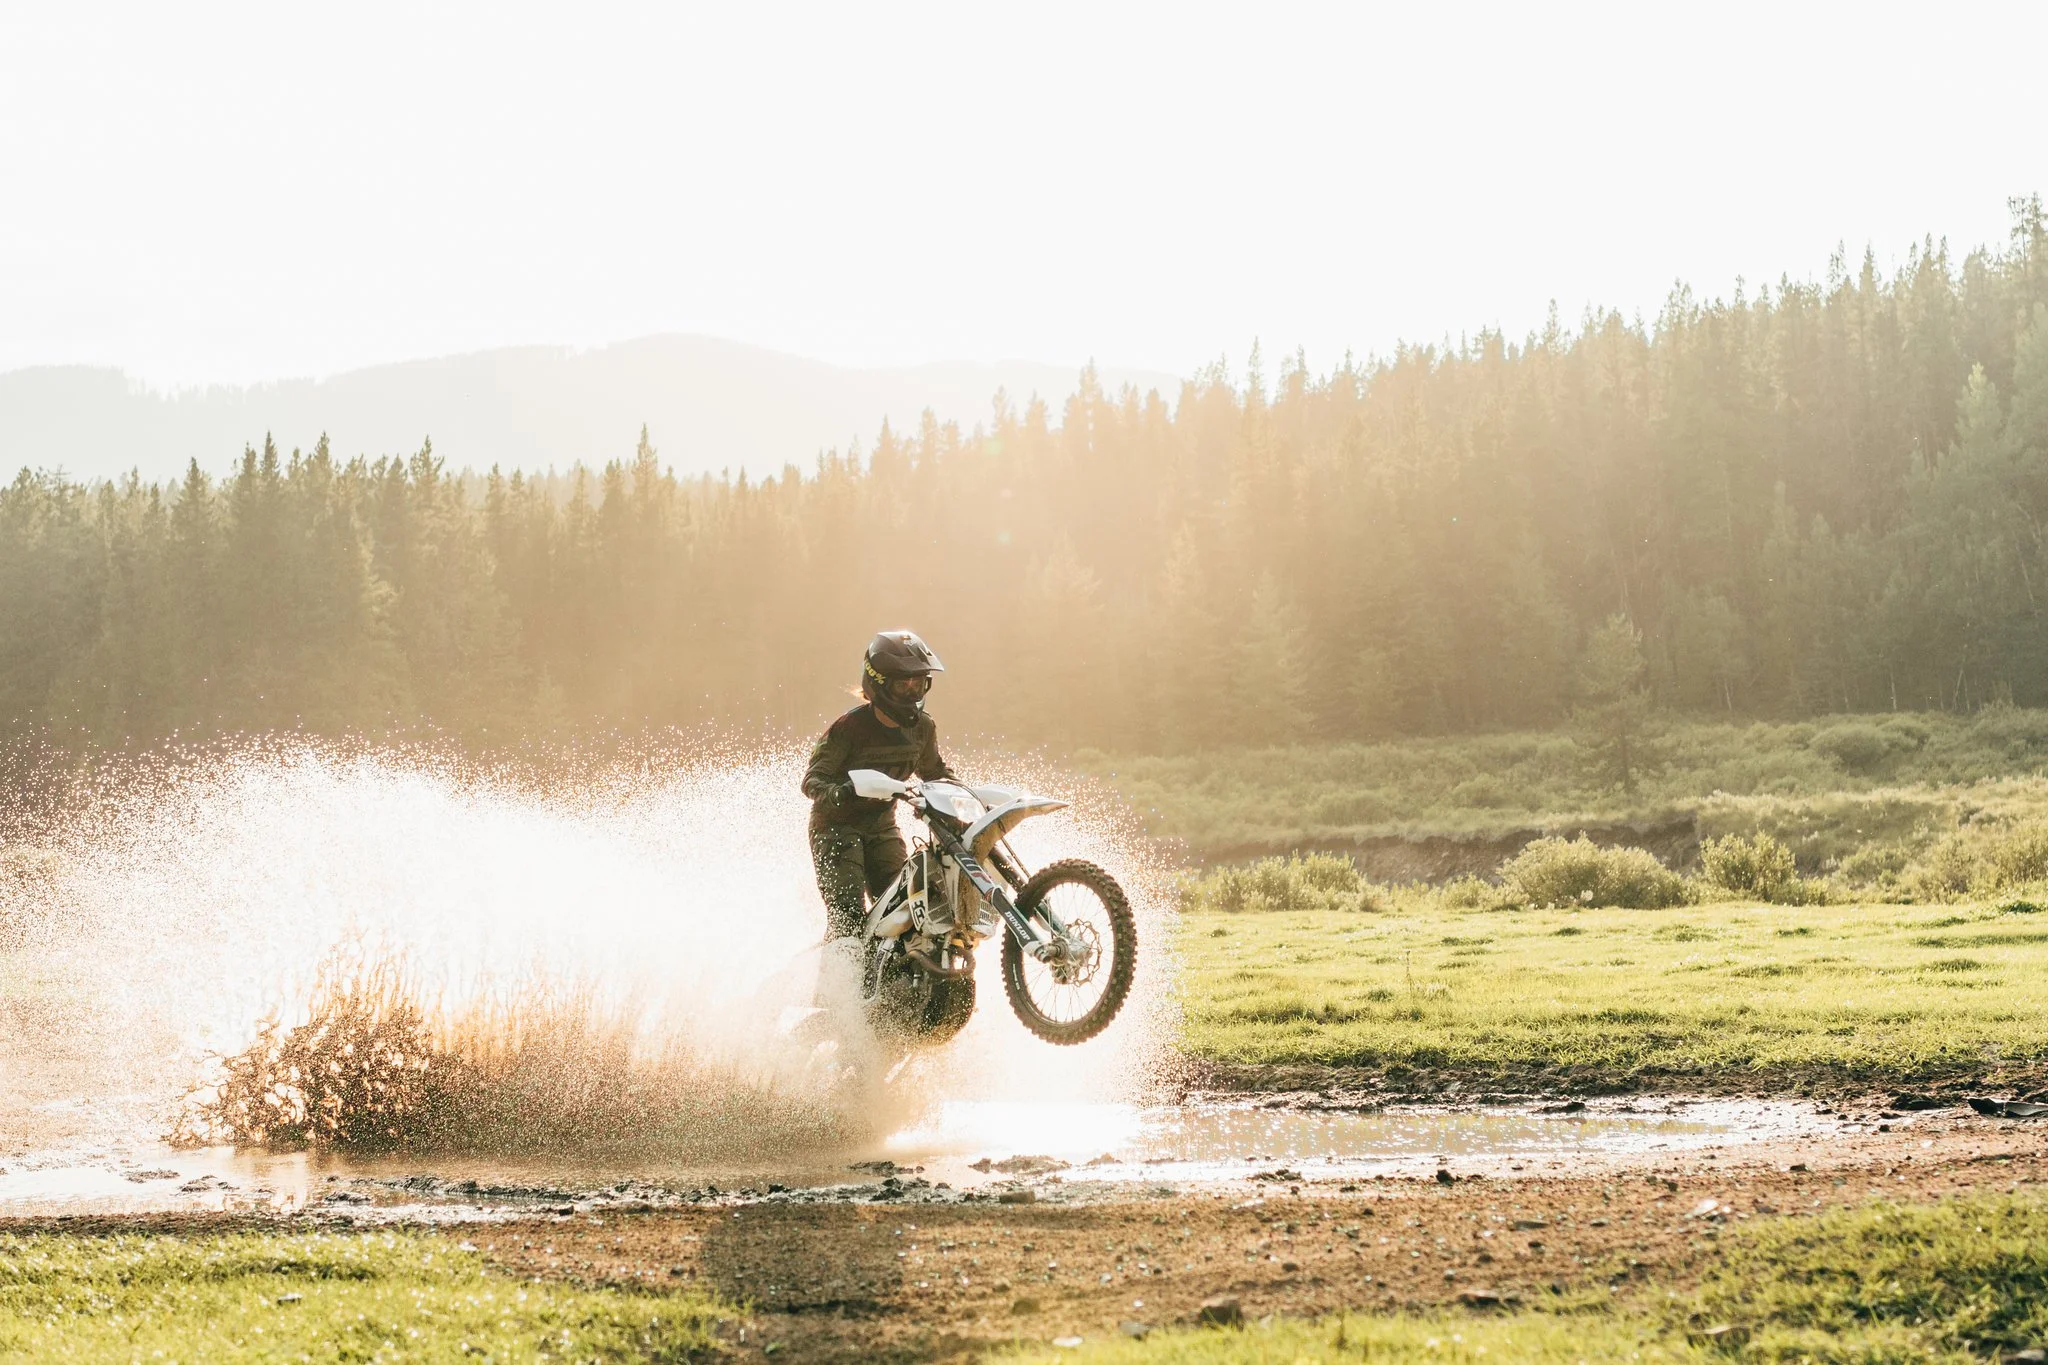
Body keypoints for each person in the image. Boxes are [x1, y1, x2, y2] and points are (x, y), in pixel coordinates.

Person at [802, 630, 957, 939]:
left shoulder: (923, 728)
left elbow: (935, 772)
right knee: (847, 917)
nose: (913, 692)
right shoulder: (849, 727)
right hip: (835, 829)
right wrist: (837, 792)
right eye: (904, 684)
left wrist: (961, 797)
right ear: (880, 684)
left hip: (882, 827)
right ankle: (836, 983)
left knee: (904, 909)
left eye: (919, 683)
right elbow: (812, 780)